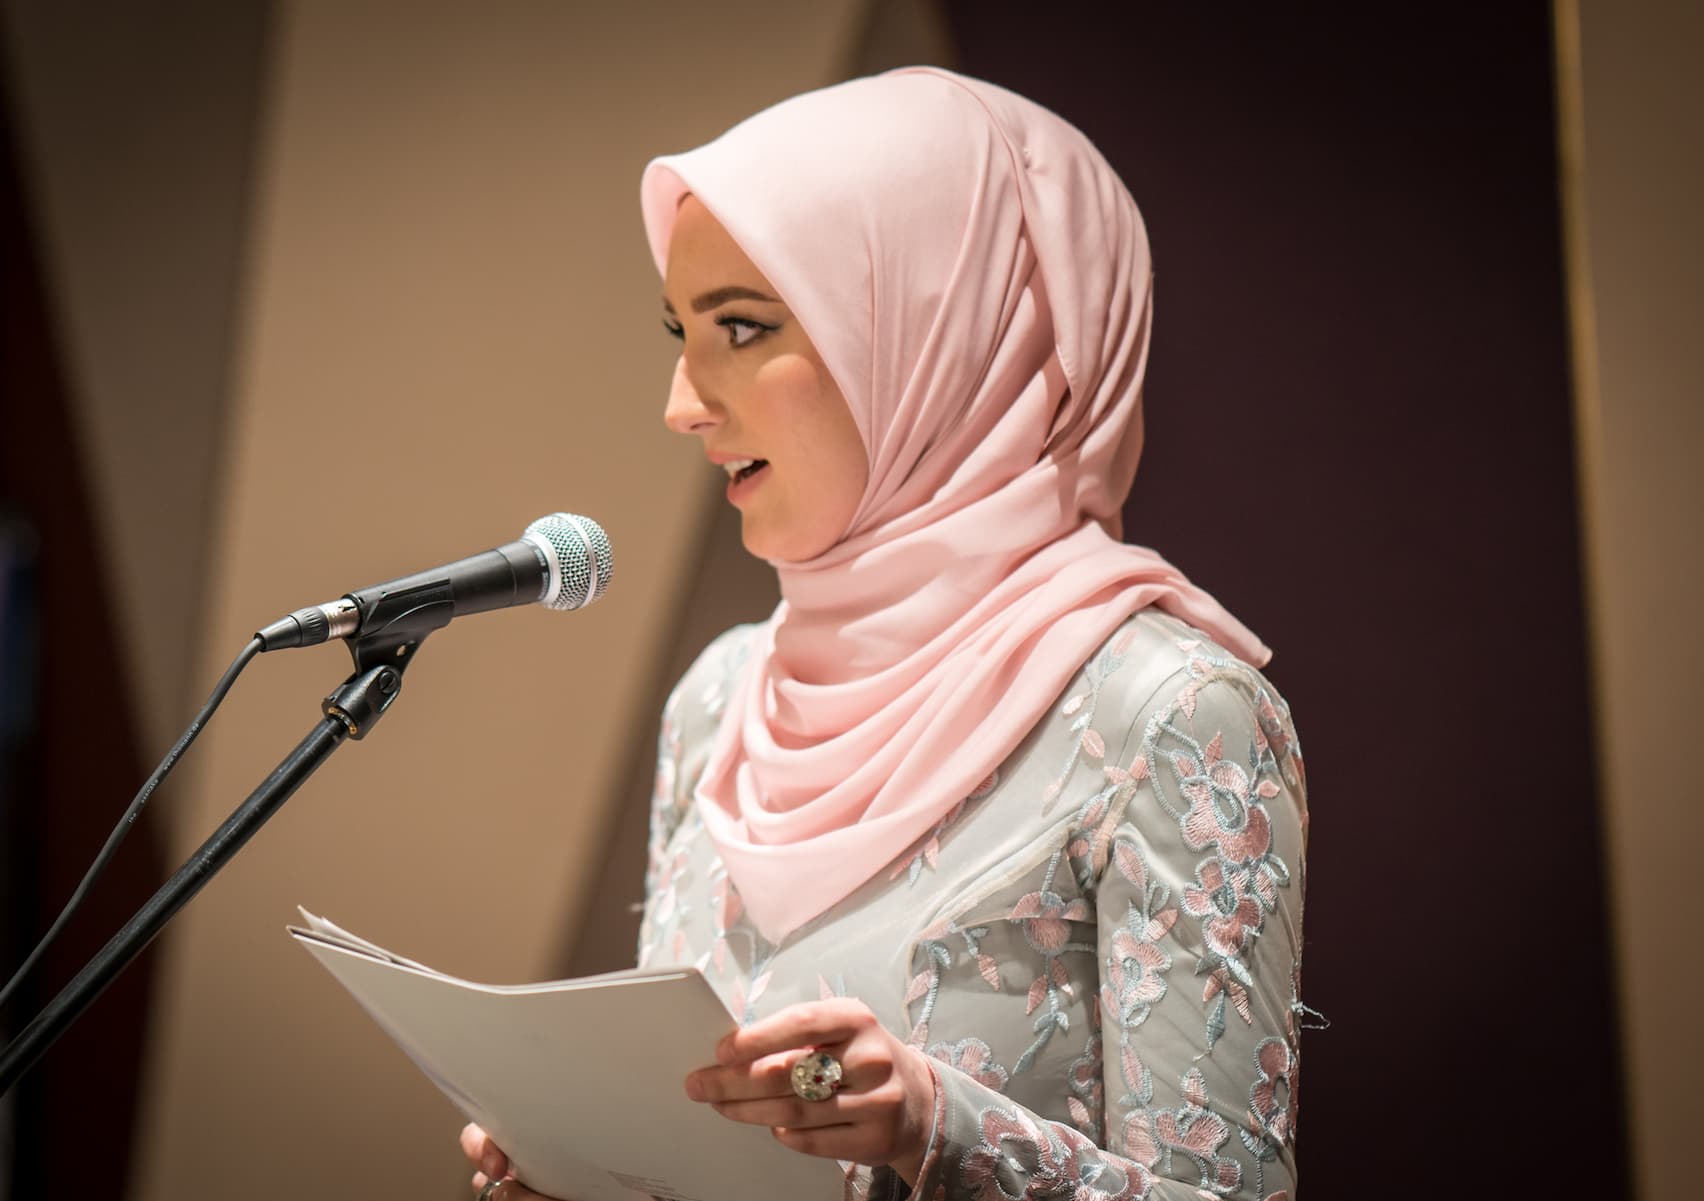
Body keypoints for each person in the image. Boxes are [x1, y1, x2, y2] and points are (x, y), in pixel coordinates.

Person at [462, 67, 1307, 1201]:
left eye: (742, 328)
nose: (682, 404)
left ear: (941, 333)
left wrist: (936, 1129)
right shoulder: (722, 695)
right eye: (682, 332)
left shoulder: (1170, 712)